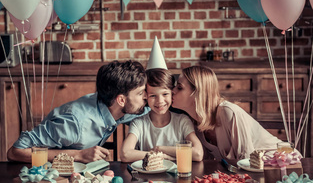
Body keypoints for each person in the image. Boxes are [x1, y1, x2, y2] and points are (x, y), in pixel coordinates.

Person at [7, 60, 150, 164]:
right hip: (45, 178)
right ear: (121, 100)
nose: (146, 97)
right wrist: (78, 154)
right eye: (140, 93)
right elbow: (15, 152)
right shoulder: (74, 124)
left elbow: (153, 112)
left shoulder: (116, 106)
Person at [171, 65, 282, 160]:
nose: (172, 90)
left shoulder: (228, 112)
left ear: (197, 93)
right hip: (252, 173)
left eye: (179, 87)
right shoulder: (193, 121)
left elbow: (246, 160)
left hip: (281, 165)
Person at [120, 68, 203, 162]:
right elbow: (125, 154)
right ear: (145, 97)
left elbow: (198, 153)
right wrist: (161, 156)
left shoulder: (182, 121)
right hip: (148, 175)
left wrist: (159, 149)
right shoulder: (139, 123)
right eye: (153, 95)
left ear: (172, 93)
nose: (160, 101)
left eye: (165, 94)